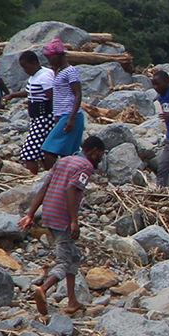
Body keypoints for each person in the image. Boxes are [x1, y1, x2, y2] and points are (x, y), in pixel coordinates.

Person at [18, 135, 104, 316]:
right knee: (64, 261)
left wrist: (30, 214)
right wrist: (74, 221)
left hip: (49, 213)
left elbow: (44, 188)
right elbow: (70, 189)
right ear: (94, 152)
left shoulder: (64, 161)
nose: (100, 159)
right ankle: (43, 289)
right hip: (62, 217)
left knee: (74, 257)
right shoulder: (85, 166)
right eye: (100, 155)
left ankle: (72, 301)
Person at [39, 38, 84, 163]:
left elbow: (78, 94)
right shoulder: (60, 72)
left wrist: (71, 118)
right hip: (64, 115)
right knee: (67, 154)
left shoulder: (71, 71)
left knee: (48, 149)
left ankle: (55, 173)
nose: (49, 61)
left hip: (70, 114)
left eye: (50, 58)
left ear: (58, 55)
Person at [15, 50, 55, 173]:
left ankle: (33, 176)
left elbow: (52, 97)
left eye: (26, 67)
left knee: (29, 152)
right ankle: (48, 174)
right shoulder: (34, 76)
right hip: (37, 118)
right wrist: (12, 95)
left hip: (44, 118)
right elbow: (30, 92)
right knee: (42, 149)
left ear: (34, 63)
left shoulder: (44, 76)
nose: (24, 70)